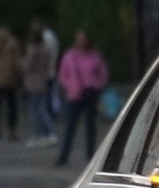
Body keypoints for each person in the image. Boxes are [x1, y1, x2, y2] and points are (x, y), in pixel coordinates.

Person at [53, 30, 108, 166]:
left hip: (90, 94)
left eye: (83, 39)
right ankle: (64, 155)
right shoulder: (70, 56)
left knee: (91, 127)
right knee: (70, 126)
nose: (81, 41)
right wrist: (69, 87)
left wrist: (97, 86)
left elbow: (103, 73)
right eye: (78, 39)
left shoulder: (94, 56)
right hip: (75, 95)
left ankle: (91, 156)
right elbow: (62, 74)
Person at [21, 16, 58, 143]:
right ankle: (48, 133)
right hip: (43, 79)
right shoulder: (45, 49)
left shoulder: (33, 50)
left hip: (33, 82)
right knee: (42, 108)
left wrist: (20, 63)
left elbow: (27, 66)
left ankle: (40, 134)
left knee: (36, 109)